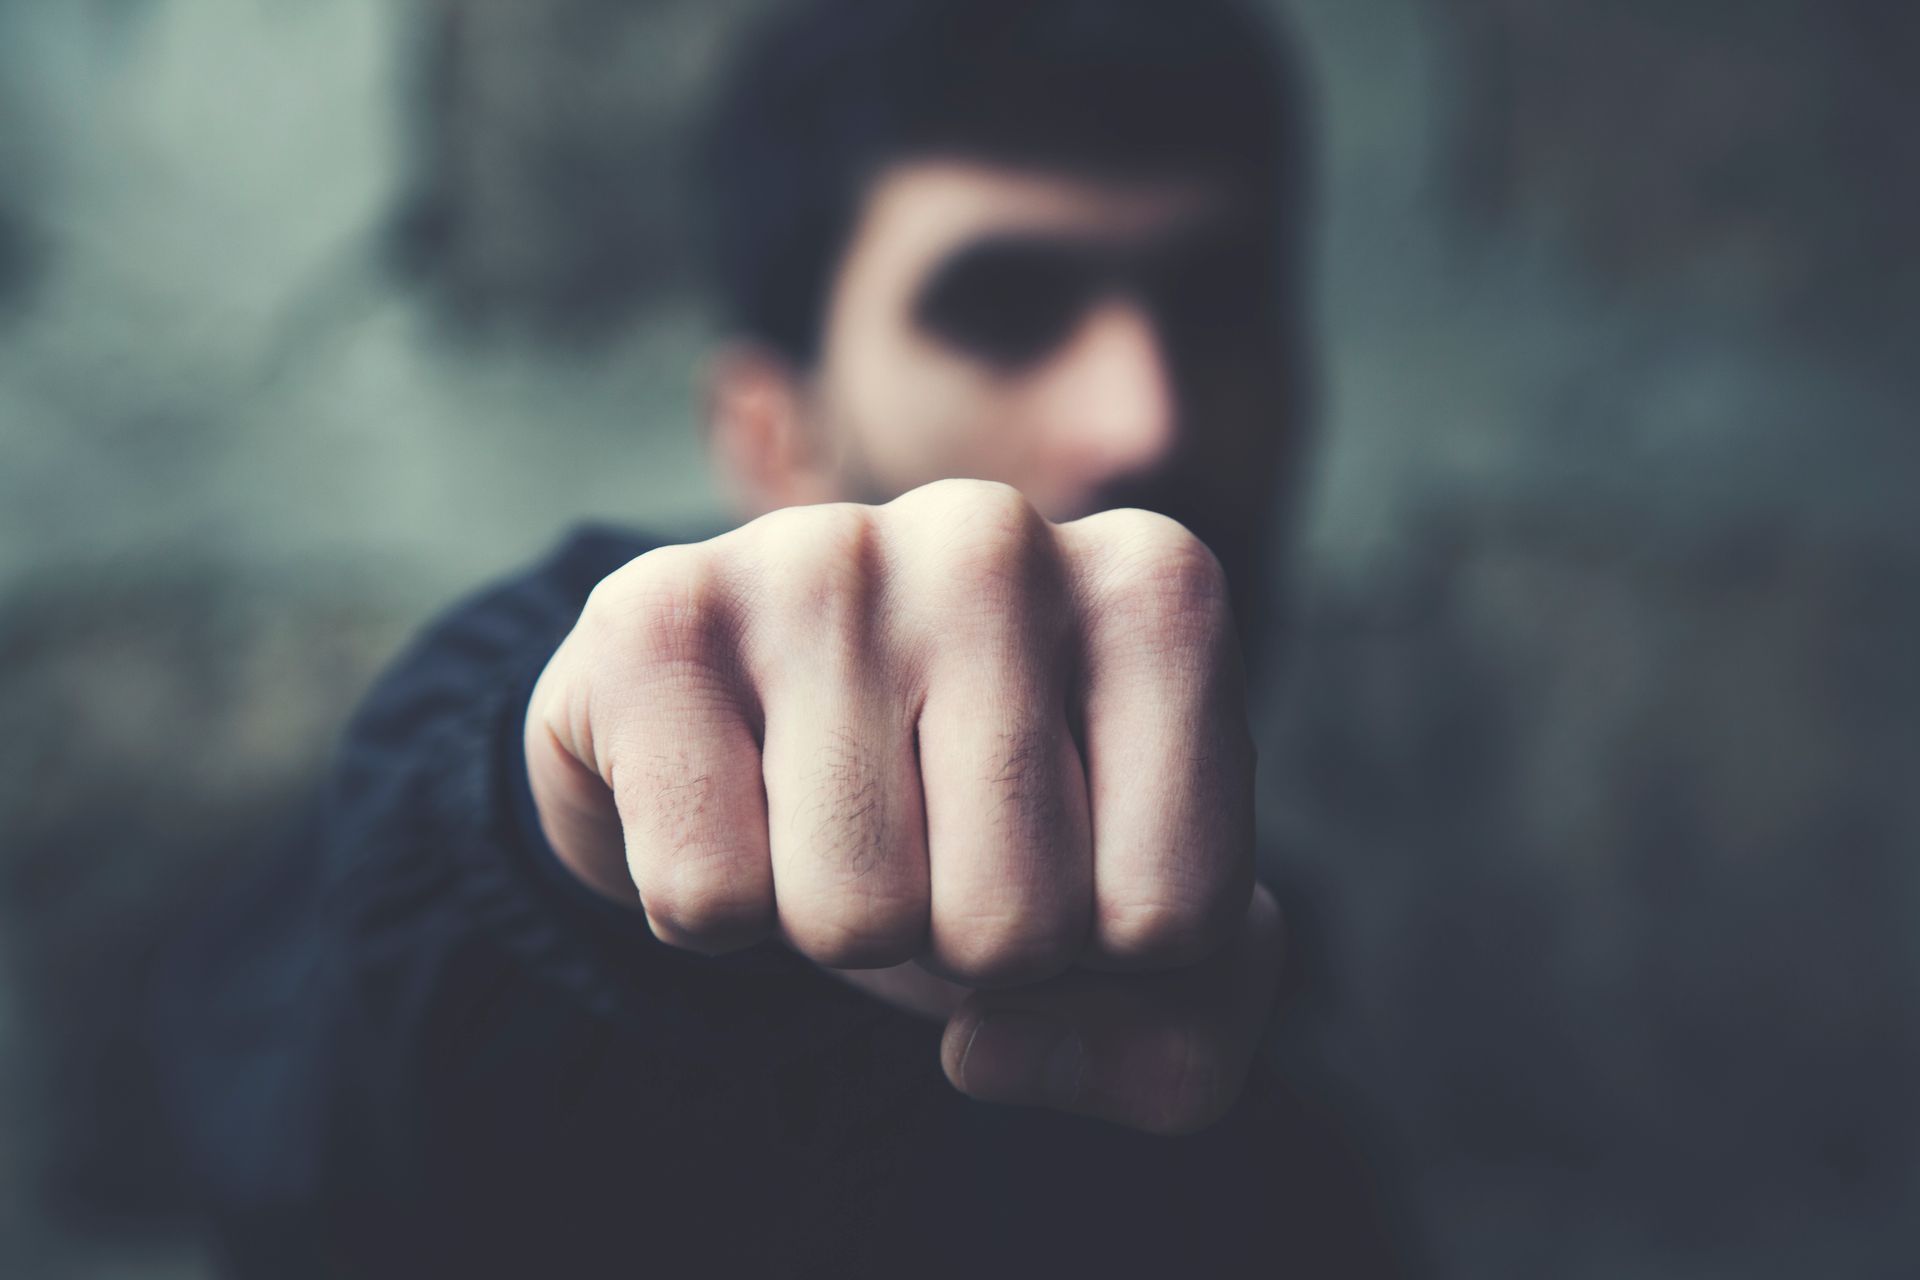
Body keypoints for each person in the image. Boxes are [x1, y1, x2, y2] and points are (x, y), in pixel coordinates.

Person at [150, 0, 1396, 1274]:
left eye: (1216, 300)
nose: (1146, 416)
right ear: (773, 438)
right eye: (1003, 309)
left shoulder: (1293, 1040)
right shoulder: (541, 927)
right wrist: (560, 850)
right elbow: (353, 1114)